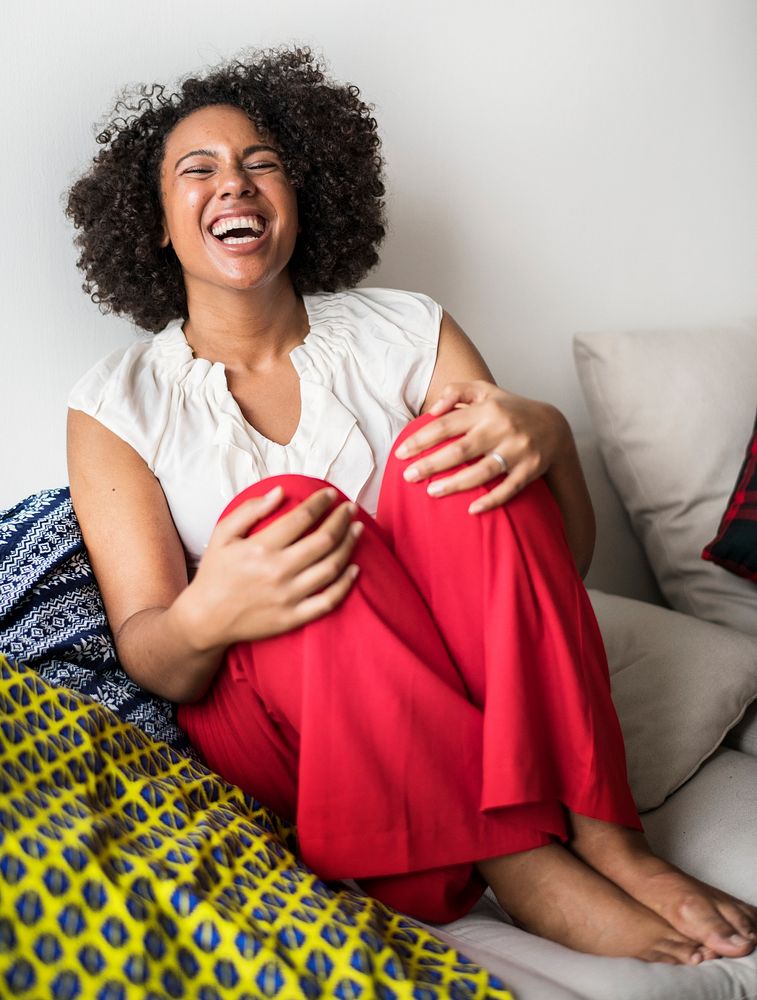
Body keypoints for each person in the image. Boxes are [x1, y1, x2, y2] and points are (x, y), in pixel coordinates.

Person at [65, 46, 756, 965]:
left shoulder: (409, 330)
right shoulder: (116, 402)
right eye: (198, 170)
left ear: (302, 195)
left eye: (261, 162)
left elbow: (545, 568)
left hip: (465, 690)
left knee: (455, 449)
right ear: (155, 222)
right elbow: (156, 656)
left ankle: (604, 838)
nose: (234, 183)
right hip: (289, 731)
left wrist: (546, 436)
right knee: (286, 512)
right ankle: (519, 865)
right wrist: (213, 607)